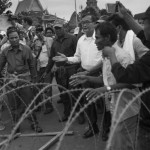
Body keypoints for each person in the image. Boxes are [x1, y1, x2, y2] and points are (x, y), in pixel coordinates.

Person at [100, 4, 150, 150]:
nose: (142, 25)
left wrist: (111, 55)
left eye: (145, 21)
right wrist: (126, 16)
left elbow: (127, 77)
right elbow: (143, 35)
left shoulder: (120, 54)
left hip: (136, 114)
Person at [53, 14, 103, 138]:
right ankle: (93, 127)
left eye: (87, 22)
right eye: (82, 22)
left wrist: (91, 71)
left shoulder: (100, 38)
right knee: (88, 102)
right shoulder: (81, 39)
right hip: (84, 75)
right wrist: (66, 59)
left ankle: (107, 129)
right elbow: (77, 57)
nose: (84, 24)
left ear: (95, 23)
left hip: (100, 74)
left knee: (105, 104)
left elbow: (105, 58)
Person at [0, 26, 42, 133]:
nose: (14, 40)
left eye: (16, 37)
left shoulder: (26, 49)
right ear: (8, 40)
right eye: (11, 38)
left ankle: (34, 124)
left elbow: (32, 65)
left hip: (24, 78)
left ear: (19, 37)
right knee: (14, 105)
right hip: (11, 80)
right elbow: (0, 66)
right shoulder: (5, 51)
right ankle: (16, 126)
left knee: (29, 103)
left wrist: (34, 79)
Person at [44, 20, 78, 122]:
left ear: (64, 28)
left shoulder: (72, 38)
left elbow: (78, 55)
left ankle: (78, 113)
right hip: (60, 71)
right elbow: (51, 58)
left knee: (74, 92)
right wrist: (47, 70)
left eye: (59, 28)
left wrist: (79, 69)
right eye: (56, 28)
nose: (58, 30)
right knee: (63, 93)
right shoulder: (54, 42)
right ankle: (67, 113)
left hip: (72, 69)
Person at [33, 25, 54, 114]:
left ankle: (49, 106)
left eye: (41, 31)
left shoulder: (50, 40)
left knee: (47, 87)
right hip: (38, 67)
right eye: (37, 31)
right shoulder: (34, 41)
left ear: (43, 32)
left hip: (47, 67)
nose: (39, 33)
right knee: (36, 86)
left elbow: (52, 53)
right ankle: (38, 105)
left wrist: (44, 42)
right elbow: (33, 53)